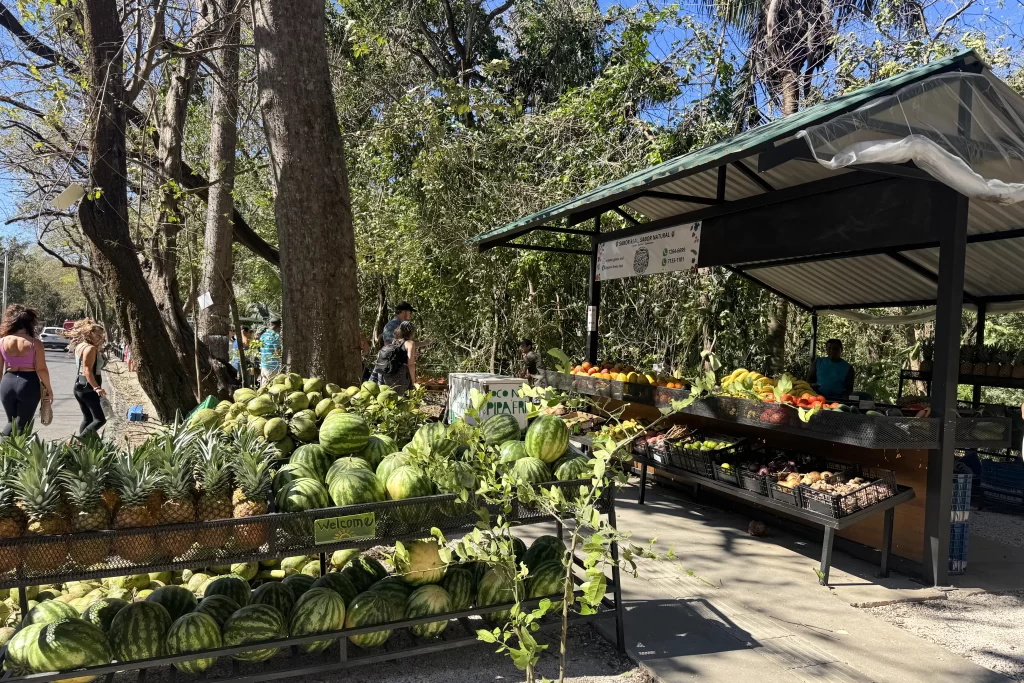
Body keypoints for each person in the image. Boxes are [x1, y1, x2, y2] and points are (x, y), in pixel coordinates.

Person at [0, 304, 52, 436]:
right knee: (23, 424)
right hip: (28, 383)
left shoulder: (2, 341)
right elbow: (42, 369)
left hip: (7, 382)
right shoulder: (35, 343)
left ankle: (6, 453)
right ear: (29, 324)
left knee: (11, 421)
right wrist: (48, 390)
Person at [67, 319, 107, 436]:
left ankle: (84, 448)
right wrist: (96, 388)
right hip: (89, 388)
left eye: (101, 335)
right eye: (98, 335)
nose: (100, 338)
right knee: (100, 419)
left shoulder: (81, 346)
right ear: (90, 333)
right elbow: (87, 370)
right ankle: (76, 442)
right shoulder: (90, 348)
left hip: (80, 386)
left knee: (88, 419)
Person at [372, 321, 416, 394]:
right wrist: (413, 381)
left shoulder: (394, 341)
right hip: (401, 376)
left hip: (388, 374)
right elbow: (410, 364)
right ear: (411, 332)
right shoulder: (410, 343)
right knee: (402, 400)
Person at [259, 317, 282, 384]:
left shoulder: (263, 335)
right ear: (278, 327)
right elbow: (277, 352)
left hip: (264, 366)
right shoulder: (275, 336)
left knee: (263, 389)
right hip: (272, 368)